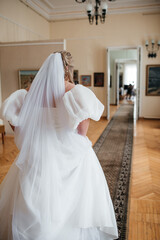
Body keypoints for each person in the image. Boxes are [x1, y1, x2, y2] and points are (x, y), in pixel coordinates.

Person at [0, 52, 118, 240]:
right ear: (67, 69)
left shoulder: (30, 92)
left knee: (36, 196)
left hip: (38, 152)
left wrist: (35, 135)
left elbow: (16, 124)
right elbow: (82, 132)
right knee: (72, 201)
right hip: (70, 153)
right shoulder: (76, 92)